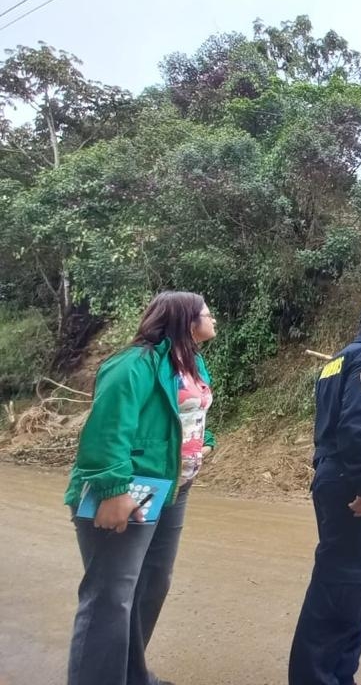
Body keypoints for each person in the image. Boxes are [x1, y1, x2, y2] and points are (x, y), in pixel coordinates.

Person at [64, 291, 218, 685]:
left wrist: (204, 443)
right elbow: (107, 429)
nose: (213, 317)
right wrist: (114, 489)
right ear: (186, 321)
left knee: (151, 586)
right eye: (206, 312)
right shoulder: (134, 364)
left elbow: (188, 414)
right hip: (130, 486)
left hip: (173, 489)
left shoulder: (191, 362)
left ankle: (132, 676)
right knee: (110, 598)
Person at [289, 301, 361, 685]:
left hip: (335, 474)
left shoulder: (337, 361)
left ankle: (339, 673)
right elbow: (358, 428)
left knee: (351, 582)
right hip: (350, 481)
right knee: (342, 584)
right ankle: (317, 676)